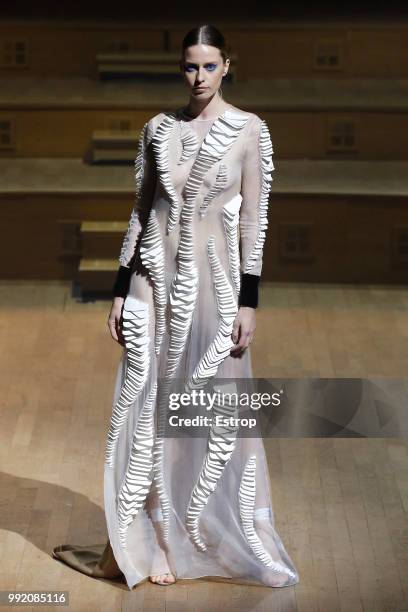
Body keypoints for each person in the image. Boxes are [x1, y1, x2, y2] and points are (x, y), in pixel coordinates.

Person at [52, 23, 299, 590]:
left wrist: (249, 302)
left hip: (215, 287)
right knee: (142, 404)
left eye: (209, 66)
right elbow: (140, 213)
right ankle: (154, 534)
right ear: (181, 68)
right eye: (190, 66)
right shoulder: (157, 129)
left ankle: (196, 528)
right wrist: (119, 287)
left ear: (227, 66)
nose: (198, 76)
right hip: (149, 281)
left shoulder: (249, 131)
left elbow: (254, 224)